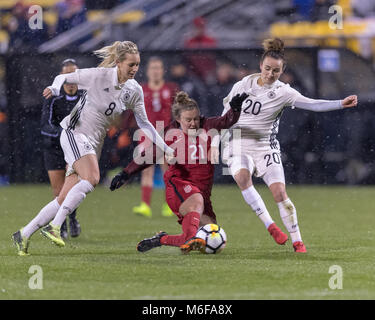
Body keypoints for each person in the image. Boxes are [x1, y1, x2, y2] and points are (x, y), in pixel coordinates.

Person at [12, 40, 174, 256]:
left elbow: (145, 123)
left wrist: (166, 148)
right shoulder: (99, 76)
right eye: (131, 65)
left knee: (62, 197)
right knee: (92, 178)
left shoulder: (133, 90)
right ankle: (55, 227)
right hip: (72, 132)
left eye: (137, 65)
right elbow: (64, 77)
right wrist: (54, 87)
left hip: (90, 142)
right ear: (118, 62)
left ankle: (23, 234)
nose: (135, 69)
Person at [211, 38, 357, 253]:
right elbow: (224, 115)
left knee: (280, 193)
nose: (270, 74)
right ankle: (271, 226)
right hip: (238, 142)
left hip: (265, 146)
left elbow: (312, 104)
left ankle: (298, 242)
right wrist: (215, 142)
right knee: (242, 176)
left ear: (283, 70)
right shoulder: (243, 85)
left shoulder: (284, 92)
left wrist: (339, 103)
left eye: (276, 71)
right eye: (267, 68)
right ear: (261, 65)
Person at [110, 91, 248, 254]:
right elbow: (150, 155)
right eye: (188, 120)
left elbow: (227, 121)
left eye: (195, 119)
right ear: (178, 119)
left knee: (206, 234)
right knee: (196, 205)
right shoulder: (169, 133)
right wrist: (126, 173)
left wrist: (236, 109)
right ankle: (185, 238)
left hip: (202, 193)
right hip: (179, 186)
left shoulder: (208, 125)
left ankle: (162, 239)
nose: (193, 124)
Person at [40, 58, 83, 239]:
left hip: (74, 149)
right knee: (58, 191)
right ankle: (62, 225)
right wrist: (65, 133)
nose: (70, 80)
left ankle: (71, 219)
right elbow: (46, 125)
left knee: (71, 188)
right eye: (67, 75)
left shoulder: (85, 96)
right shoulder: (53, 97)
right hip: (54, 148)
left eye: (74, 75)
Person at [132, 56, 179, 218]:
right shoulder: (141, 89)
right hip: (146, 134)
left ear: (162, 70)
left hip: (167, 134)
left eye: (158, 67)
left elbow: (179, 111)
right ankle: (145, 205)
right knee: (147, 169)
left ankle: (169, 205)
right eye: (153, 68)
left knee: (167, 170)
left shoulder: (172, 89)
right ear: (148, 71)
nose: (155, 71)